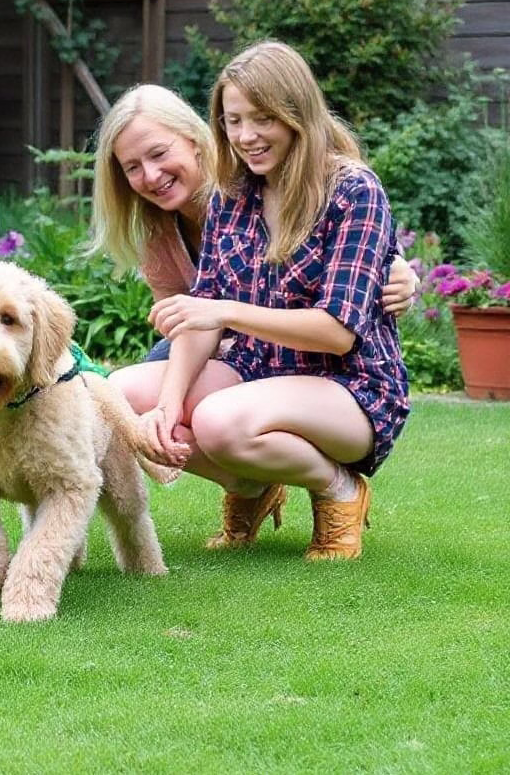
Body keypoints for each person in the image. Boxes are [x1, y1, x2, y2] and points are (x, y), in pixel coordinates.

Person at [108, 41, 410, 560]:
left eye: (262, 118)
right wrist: (164, 405)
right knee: (119, 399)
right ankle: (250, 486)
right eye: (233, 120)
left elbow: (338, 330)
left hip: (348, 383)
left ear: (297, 114)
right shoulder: (231, 194)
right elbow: (200, 317)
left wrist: (224, 311)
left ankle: (338, 488)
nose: (246, 136)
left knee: (220, 421)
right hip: (258, 370)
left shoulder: (353, 191)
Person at [89, 83, 417, 364]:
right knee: (147, 378)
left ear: (193, 139)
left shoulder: (248, 184)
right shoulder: (157, 237)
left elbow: (353, 240)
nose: (150, 175)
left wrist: (397, 267)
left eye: (158, 153)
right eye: (132, 167)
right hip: (225, 350)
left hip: (305, 350)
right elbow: (181, 325)